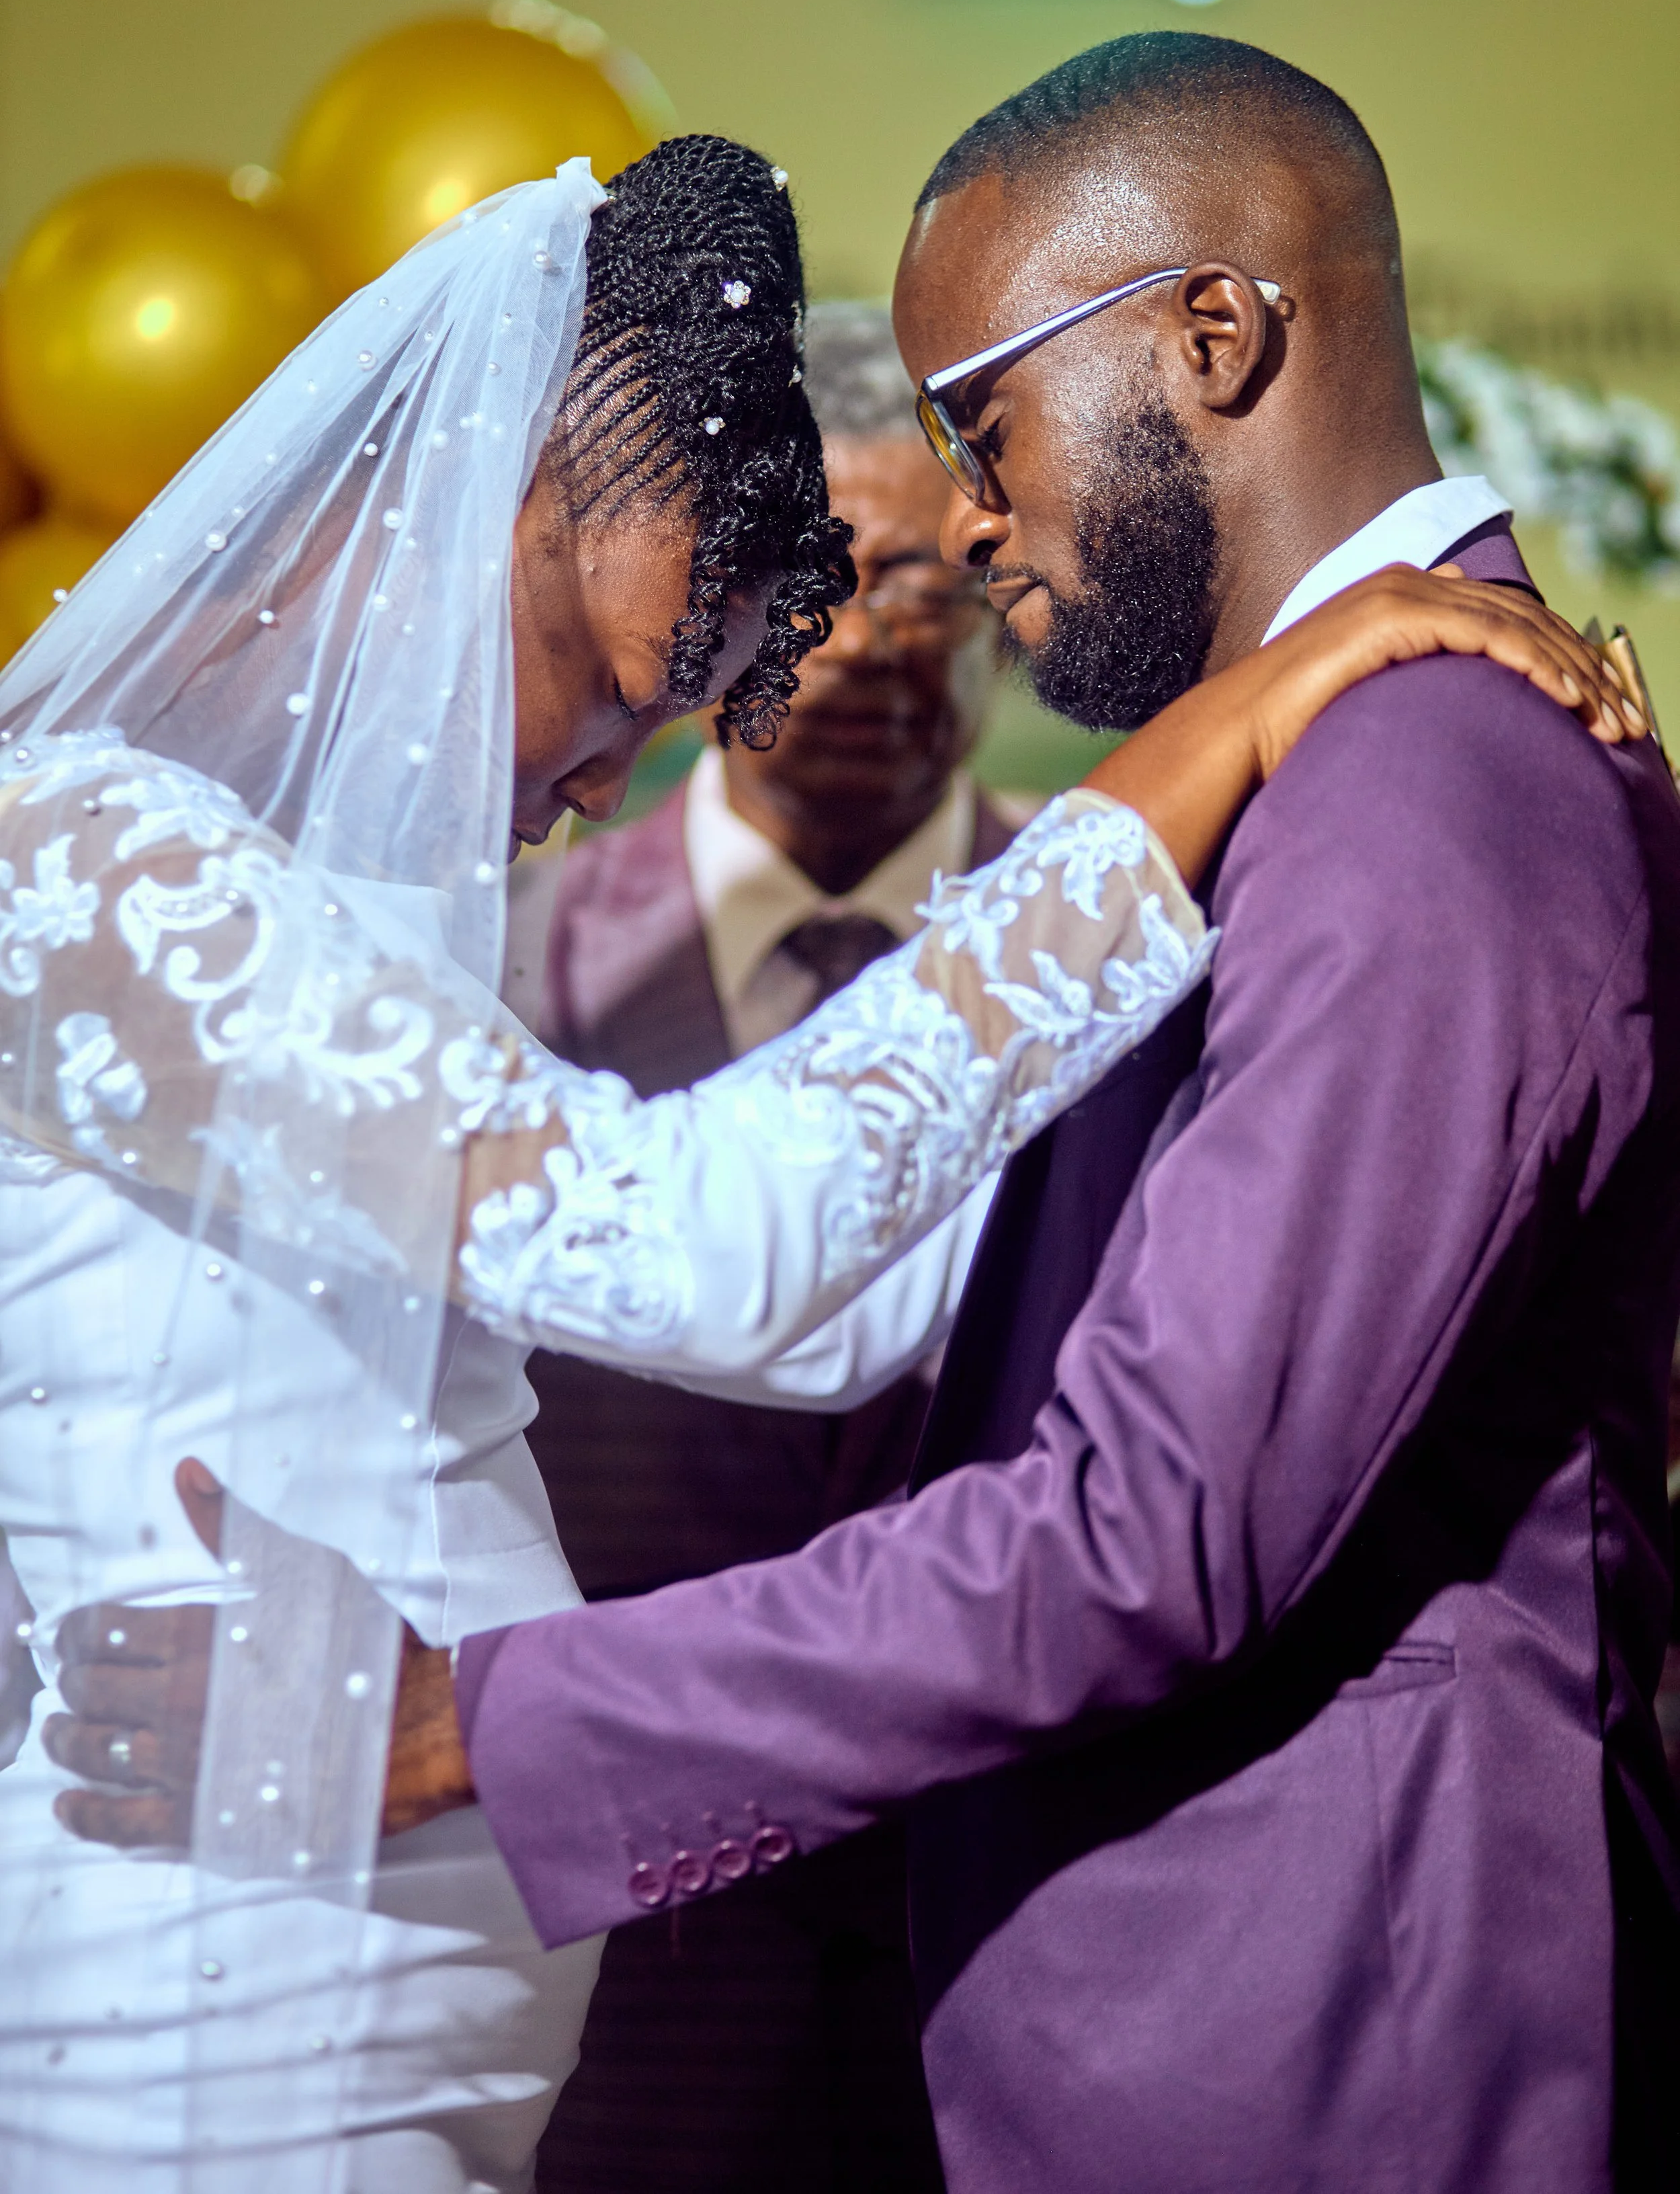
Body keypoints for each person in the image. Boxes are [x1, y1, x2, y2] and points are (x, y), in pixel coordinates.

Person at [0, 122, 1601, 2194]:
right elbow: (674, 1246)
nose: (595, 788)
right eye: (619, 690)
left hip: (388, 1981)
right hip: (215, 1978)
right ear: (504, 484)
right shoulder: (83, 858)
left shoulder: (285, 889)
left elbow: (822, 1317)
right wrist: (1219, 736)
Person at [522, 300, 1011, 2193]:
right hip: (631, 1978)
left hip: (1002, 1952)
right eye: (833, 577)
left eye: (935, 583)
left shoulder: (1122, 946)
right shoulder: (528, 968)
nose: (883, 639)